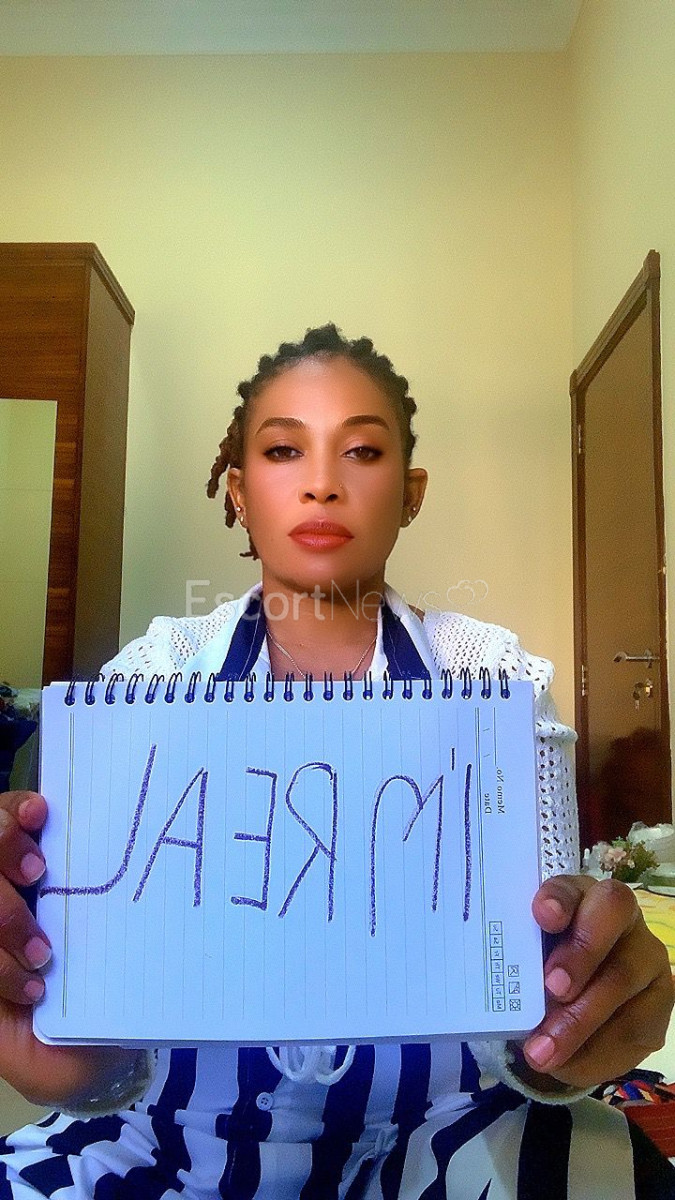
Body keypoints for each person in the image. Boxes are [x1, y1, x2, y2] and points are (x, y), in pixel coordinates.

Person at [0, 323, 672, 1199]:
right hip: (166, 1138)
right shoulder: (151, 675)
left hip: (452, 1129)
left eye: (361, 450)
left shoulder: (494, 676)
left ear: (410, 493)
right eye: (283, 451)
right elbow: (106, 1025)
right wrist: (70, 1054)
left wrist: (569, 1032)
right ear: (239, 491)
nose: (321, 482)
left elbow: (533, 978)